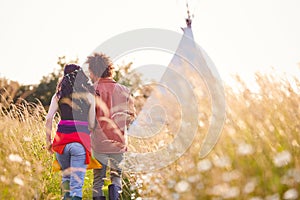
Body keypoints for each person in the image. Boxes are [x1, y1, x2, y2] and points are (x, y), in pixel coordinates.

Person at [86, 53, 136, 200]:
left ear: (94, 71)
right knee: (116, 177)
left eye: (90, 71)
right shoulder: (125, 90)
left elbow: (89, 121)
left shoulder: (91, 90)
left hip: (98, 143)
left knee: (98, 180)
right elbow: (131, 117)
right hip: (119, 142)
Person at [45, 64, 96, 200]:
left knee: (66, 180)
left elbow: (49, 119)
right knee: (76, 187)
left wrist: (48, 142)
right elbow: (92, 125)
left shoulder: (58, 96)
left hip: (61, 144)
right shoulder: (90, 97)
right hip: (80, 143)